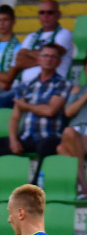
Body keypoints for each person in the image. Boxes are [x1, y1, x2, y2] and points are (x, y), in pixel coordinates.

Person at [0, 43, 71, 180]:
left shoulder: (63, 84)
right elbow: (15, 117)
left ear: (59, 62)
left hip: (48, 136)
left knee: (48, 147)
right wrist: (13, 140)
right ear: (38, 60)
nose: (49, 59)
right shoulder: (27, 85)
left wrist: (26, 106)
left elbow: (50, 111)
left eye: (53, 57)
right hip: (26, 137)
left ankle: (36, 185)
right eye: (45, 56)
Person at [0, 0, 73, 112]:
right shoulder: (31, 37)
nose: (45, 16)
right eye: (42, 12)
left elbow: (53, 56)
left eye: (50, 12)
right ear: (38, 15)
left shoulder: (64, 34)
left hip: (50, 87)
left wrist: (28, 53)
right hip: (25, 87)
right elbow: (19, 60)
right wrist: (42, 57)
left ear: (58, 15)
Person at [55, 54, 87, 200]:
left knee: (62, 147)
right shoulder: (78, 90)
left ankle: (83, 187)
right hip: (76, 131)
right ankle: (84, 187)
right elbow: (68, 112)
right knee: (63, 143)